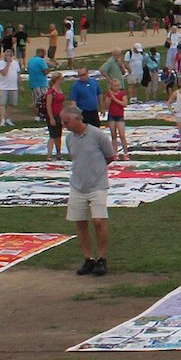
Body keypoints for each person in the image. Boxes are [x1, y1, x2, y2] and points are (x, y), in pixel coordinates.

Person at [62, 105, 115, 277]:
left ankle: (102, 258)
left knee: (99, 221)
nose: (64, 126)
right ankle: (88, 258)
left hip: (97, 184)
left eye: (66, 122)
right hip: (77, 185)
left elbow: (110, 156)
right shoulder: (69, 139)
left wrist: (97, 171)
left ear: (77, 119)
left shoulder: (98, 135)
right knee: (80, 222)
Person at [104, 76, 130, 160]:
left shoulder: (122, 94)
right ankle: (115, 153)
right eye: (114, 86)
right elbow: (107, 106)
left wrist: (115, 99)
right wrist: (110, 98)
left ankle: (126, 153)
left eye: (117, 86)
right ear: (111, 86)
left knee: (122, 135)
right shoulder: (109, 94)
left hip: (119, 116)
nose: (116, 87)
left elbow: (124, 104)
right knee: (113, 135)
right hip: (112, 116)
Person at [0, 53, 21, 127]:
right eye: (6, 55)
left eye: (9, 55)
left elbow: (18, 75)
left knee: (12, 103)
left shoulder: (16, 63)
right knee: (2, 104)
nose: (8, 57)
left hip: (13, 87)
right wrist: (7, 64)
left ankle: (8, 118)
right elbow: (4, 73)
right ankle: (2, 120)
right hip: (3, 87)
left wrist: (20, 85)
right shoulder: (1, 63)